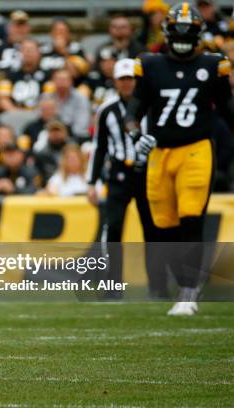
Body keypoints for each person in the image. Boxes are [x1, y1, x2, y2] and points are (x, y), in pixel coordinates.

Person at [125, 3, 232, 315]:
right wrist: (135, 134)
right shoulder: (150, 63)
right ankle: (187, 283)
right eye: (179, 30)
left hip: (196, 148)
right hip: (160, 152)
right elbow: (134, 110)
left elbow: (227, 109)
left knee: (190, 216)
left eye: (189, 31)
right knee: (163, 225)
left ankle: (187, 291)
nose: (183, 37)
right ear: (167, 33)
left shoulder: (214, 64)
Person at [87, 58, 165, 299]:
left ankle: (158, 287)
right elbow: (99, 147)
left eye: (130, 79)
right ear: (116, 82)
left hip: (149, 172)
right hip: (119, 173)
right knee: (114, 230)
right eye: (122, 79)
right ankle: (112, 288)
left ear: (137, 80)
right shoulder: (107, 109)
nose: (126, 84)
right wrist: (91, 182)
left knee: (152, 231)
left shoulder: (153, 106)